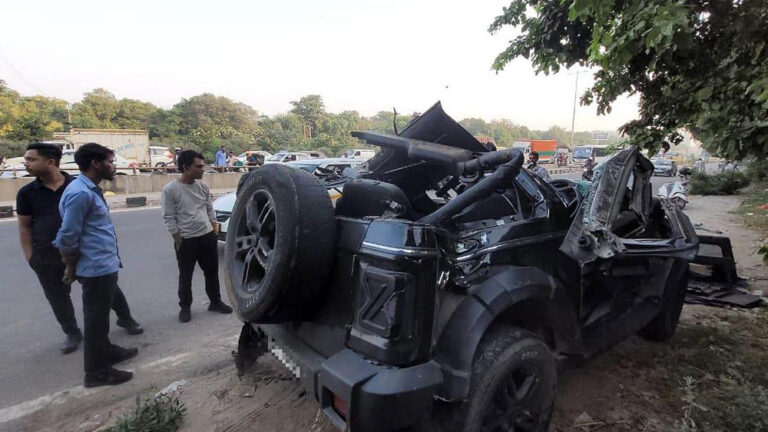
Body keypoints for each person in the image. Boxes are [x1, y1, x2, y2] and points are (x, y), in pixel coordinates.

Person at [17, 143, 143, 355]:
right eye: (27, 159)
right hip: (50, 254)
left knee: (106, 292)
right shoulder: (28, 193)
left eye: (31, 159)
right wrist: (31, 257)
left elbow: (100, 223)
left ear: (50, 162)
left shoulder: (78, 186)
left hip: (84, 254)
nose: (26, 163)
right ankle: (74, 335)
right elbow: (25, 227)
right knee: (58, 296)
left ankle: (125, 320)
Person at [54, 143, 138, 388]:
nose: (114, 166)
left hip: (103, 265)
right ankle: (96, 372)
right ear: (95, 164)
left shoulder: (88, 189)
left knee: (100, 317)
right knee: (96, 321)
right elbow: (67, 236)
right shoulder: (80, 193)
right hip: (94, 267)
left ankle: (108, 351)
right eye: (111, 162)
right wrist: (70, 267)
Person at [161, 150, 233, 323]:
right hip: (186, 240)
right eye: (199, 166)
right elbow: (169, 217)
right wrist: (178, 238)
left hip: (207, 237)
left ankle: (215, 302)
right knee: (186, 275)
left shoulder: (202, 186)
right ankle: (185, 307)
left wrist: (214, 229)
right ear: (186, 167)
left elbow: (209, 209)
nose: (203, 169)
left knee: (211, 273)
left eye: (203, 165)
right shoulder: (171, 190)